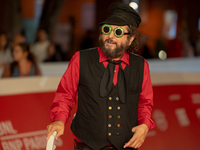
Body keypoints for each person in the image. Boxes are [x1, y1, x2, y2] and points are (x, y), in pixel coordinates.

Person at [46, 2, 155, 150]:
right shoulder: (80, 59)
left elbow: (145, 103)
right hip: (87, 144)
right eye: (106, 29)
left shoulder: (141, 66)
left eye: (118, 32)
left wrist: (144, 125)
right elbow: (65, 95)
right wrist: (59, 120)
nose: (110, 36)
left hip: (126, 145)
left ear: (130, 39)